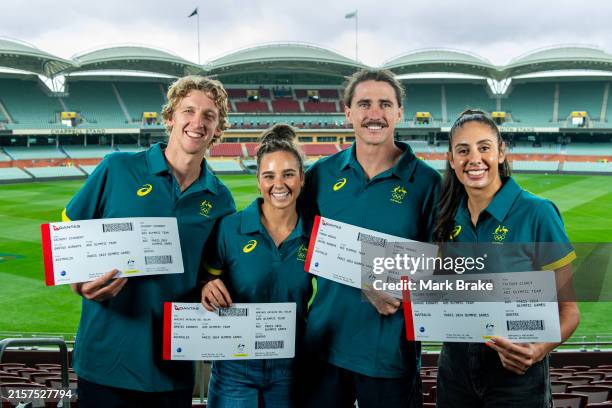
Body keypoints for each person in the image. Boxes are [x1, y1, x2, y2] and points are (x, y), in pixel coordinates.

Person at [63, 75, 236, 407]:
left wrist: (209, 285)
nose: (197, 122)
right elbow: (69, 241)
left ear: (218, 129)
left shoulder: (221, 200)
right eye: (189, 111)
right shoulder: (117, 168)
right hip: (105, 361)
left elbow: (211, 271)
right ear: (170, 117)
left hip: (172, 368)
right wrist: (78, 282)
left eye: (209, 116)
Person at [300, 69, 441, 408]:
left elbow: (442, 266)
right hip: (324, 347)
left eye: (384, 104)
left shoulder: (427, 183)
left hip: (389, 356)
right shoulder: (321, 174)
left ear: (399, 112)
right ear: (347, 112)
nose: (374, 114)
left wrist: (392, 281)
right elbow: (299, 245)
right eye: (364, 104)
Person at [433, 109, 580, 407]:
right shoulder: (446, 216)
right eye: (463, 150)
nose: (474, 158)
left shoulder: (537, 213)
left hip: (516, 377)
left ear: (501, 152)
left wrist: (537, 350)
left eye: (484, 147)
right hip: (454, 370)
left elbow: (570, 313)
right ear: (451, 160)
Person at [200, 124, 313, 407]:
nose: (279, 184)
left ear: (301, 179)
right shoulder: (229, 228)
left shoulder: (317, 235)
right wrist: (206, 287)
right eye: (269, 175)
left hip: (292, 367)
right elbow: (205, 281)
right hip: (234, 368)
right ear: (259, 181)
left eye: (288, 174)